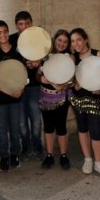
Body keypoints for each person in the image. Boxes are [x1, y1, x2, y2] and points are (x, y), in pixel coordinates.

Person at [69, 28, 100, 178]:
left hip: (95, 99)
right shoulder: (72, 58)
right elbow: (69, 80)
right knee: (82, 129)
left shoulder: (97, 54)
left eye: (78, 40)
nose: (76, 44)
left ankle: (98, 162)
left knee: (97, 131)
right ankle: (88, 159)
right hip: (78, 99)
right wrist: (75, 84)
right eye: (73, 41)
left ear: (85, 39)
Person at [0, 20, 23, 172]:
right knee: (1, 129)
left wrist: (21, 88)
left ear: (8, 32)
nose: (3, 35)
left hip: (15, 95)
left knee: (15, 127)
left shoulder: (17, 51)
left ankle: (15, 153)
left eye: (5, 31)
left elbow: (22, 72)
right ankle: (4, 156)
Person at [37, 29, 72, 169]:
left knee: (61, 127)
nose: (62, 44)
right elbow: (37, 75)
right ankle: (49, 155)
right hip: (45, 97)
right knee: (48, 126)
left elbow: (70, 79)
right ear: (54, 40)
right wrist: (41, 77)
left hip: (62, 98)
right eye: (59, 40)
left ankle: (64, 155)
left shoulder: (69, 57)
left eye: (65, 41)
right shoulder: (46, 56)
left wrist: (60, 85)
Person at [9, 11, 43, 159]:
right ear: (16, 26)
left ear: (32, 23)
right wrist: (24, 63)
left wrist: (39, 63)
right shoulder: (11, 40)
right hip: (18, 86)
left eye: (27, 23)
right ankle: (26, 146)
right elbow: (8, 62)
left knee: (36, 120)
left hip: (35, 85)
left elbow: (47, 56)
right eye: (21, 24)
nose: (24, 26)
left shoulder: (39, 38)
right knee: (21, 122)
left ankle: (37, 145)